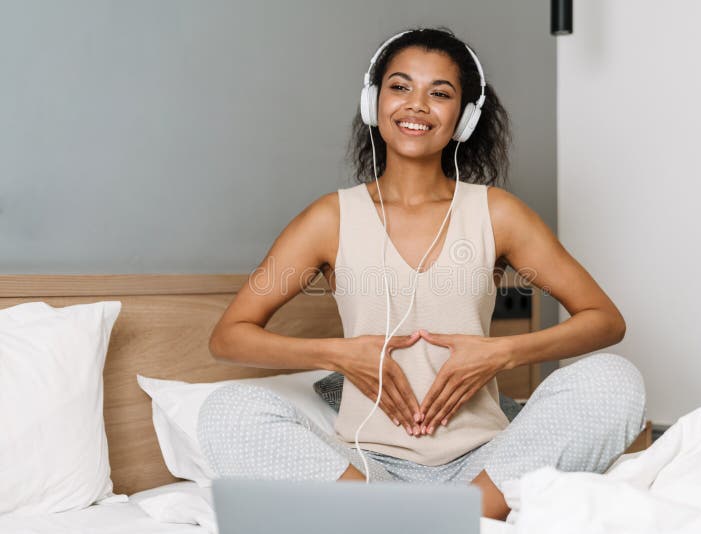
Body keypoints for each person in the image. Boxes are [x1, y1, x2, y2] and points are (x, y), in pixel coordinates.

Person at [198, 27, 646, 521]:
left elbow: (604, 319)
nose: (416, 105)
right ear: (374, 103)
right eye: (400, 86)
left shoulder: (498, 214)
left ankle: (442, 518)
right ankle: (409, 518)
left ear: (464, 117)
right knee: (227, 411)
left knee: (615, 379)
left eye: (440, 93)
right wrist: (336, 353)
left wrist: (501, 353)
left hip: (483, 465)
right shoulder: (330, 218)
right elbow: (229, 337)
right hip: (366, 468)